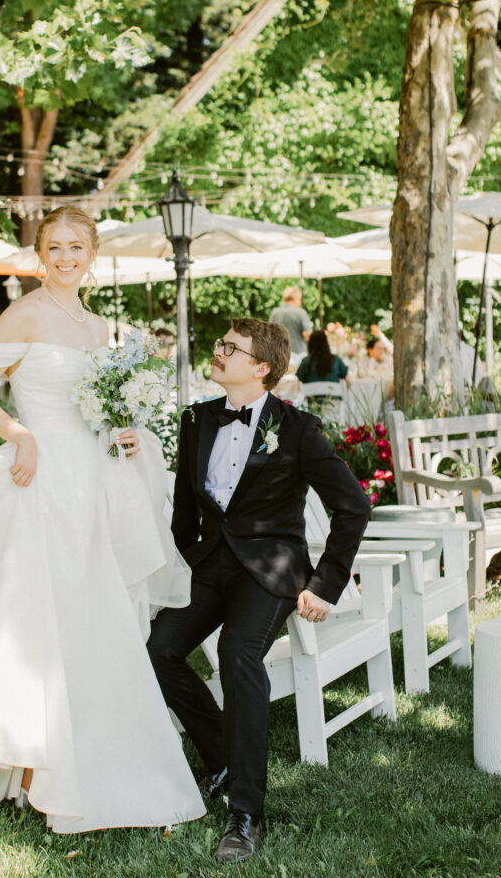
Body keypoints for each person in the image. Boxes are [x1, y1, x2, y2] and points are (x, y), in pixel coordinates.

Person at [0, 206, 205, 833]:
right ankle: (34, 764)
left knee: (91, 617)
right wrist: (19, 434)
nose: (64, 257)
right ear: (39, 254)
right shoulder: (24, 313)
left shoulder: (99, 326)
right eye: (53, 246)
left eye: (75, 246)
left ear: (92, 254)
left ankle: (85, 749)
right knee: (39, 619)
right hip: (43, 484)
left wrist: (127, 433)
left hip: (96, 481)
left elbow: (100, 411)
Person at [147, 318, 370, 864]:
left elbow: (354, 505)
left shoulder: (297, 429)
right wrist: (183, 561)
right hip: (208, 566)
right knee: (158, 650)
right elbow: (182, 510)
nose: (218, 352)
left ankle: (245, 812)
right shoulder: (196, 419)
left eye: (230, 348)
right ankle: (223, 757)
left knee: (237, 653)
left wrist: (325, 584)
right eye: (220, 343)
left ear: (261, 367)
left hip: (270, 572)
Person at [268, 286, 312, 369]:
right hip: (298, 354)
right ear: (295, 298)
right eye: (300, 299)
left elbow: (269, 333)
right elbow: (307, 334)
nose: (300, 301)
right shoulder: (301, 312)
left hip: (279, 354)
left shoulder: (275, 312)